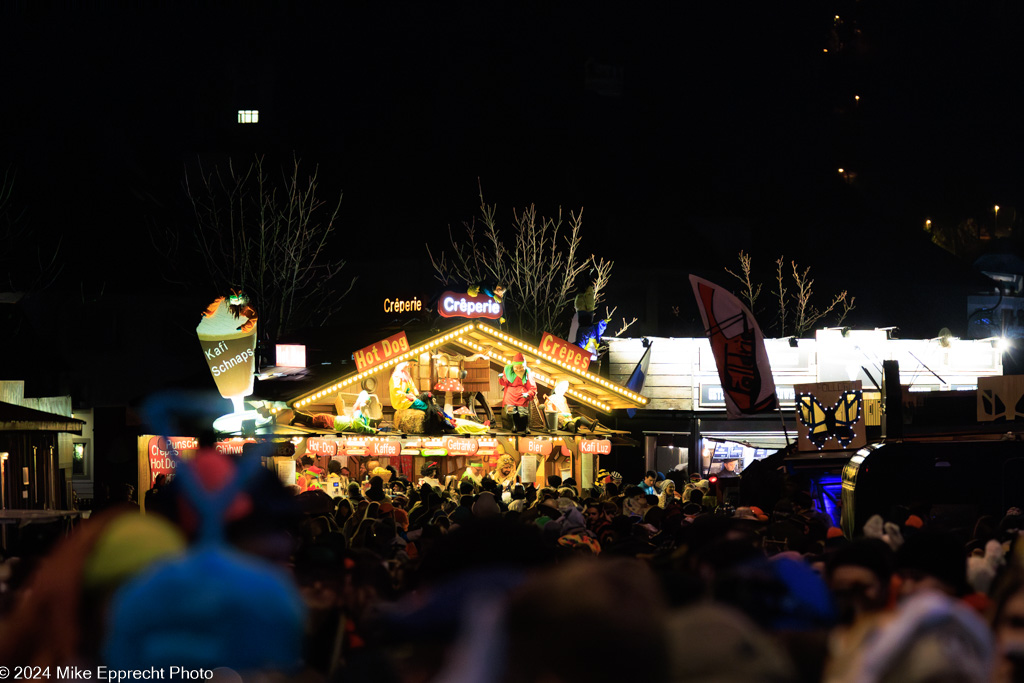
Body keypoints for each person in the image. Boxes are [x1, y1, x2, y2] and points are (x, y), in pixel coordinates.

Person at [498, 352, 537, 434]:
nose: (518, 370)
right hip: (510, 395)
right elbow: (504, 382)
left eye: (521, 367)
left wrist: (528, 394)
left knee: (523, 412)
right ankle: (514, 426)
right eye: (516, 367)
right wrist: (501, 378)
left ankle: (526, 427)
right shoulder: (508, 370)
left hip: (522, 395)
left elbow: (532, 387)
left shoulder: (527, 373)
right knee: (511, 411)